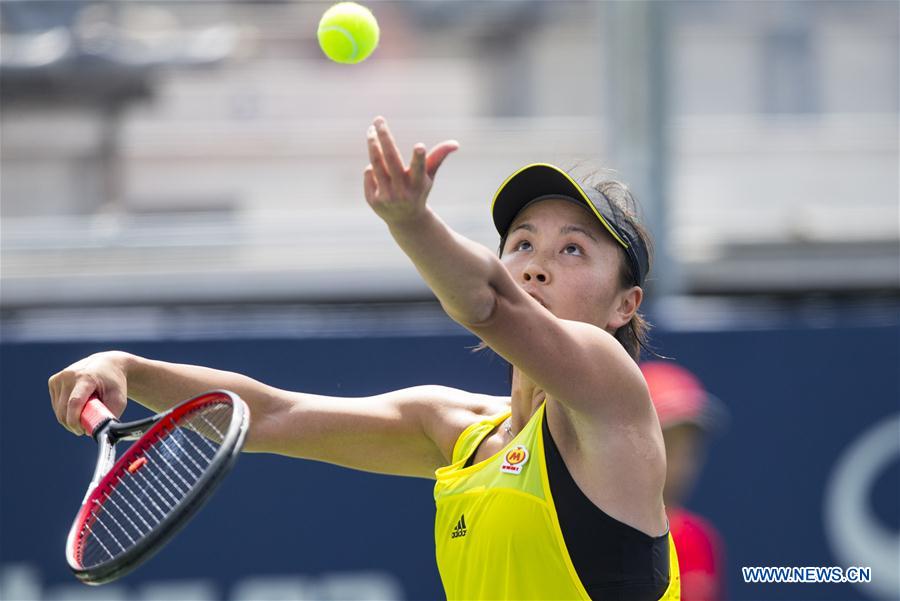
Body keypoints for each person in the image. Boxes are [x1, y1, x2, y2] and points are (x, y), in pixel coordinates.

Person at [50, 116, 680, 600]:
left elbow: (489, 304)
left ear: (624, 305)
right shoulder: (454, 430)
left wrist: (411, 222)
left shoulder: (610, 396)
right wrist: (127, 367)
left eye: (573, 251)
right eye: (522, 243)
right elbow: (266, 415)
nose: (537, 264)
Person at [640, 361, 727, 601]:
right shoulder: (601, 532)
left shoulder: (698, 538)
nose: (682, 464)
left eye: (691, 449)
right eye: (668, 445)